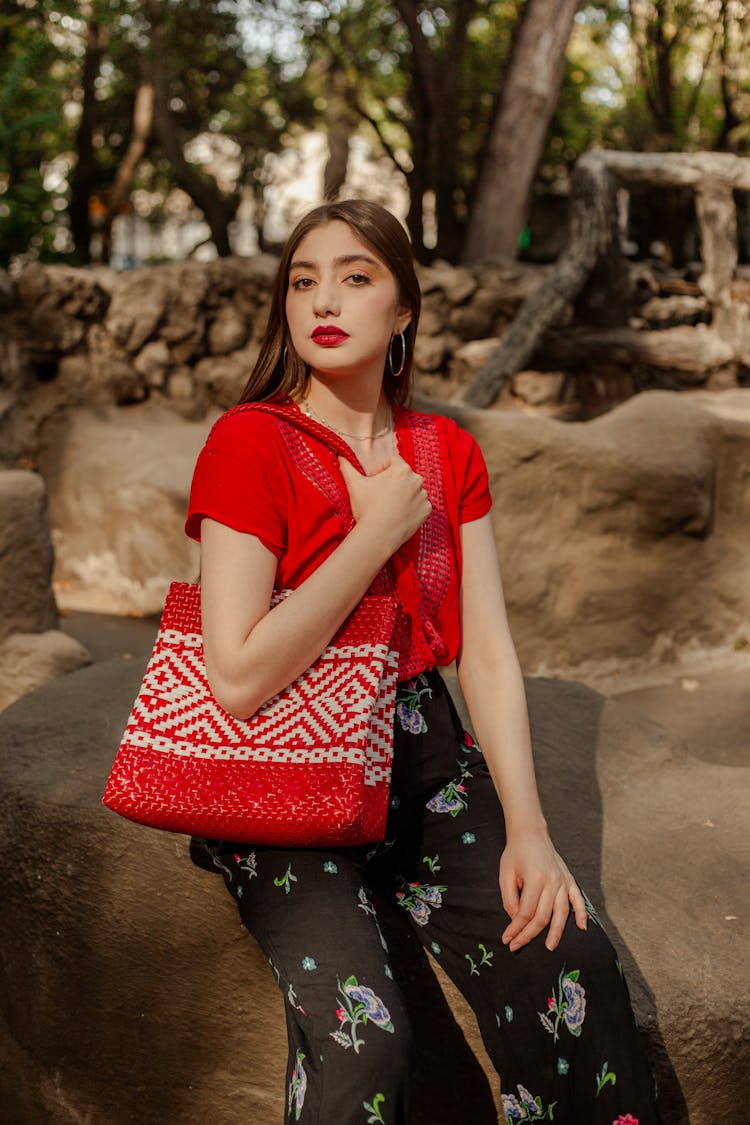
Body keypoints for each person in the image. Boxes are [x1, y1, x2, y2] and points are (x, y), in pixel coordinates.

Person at [185, 199, 660, 1125]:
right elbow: (237, 676)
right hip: (283, 779)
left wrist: (528, 827)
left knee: (575, 963)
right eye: (303, 279)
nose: (323, 298)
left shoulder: (447, 452)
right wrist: (372, 537)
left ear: (404, 309)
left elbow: (485, 648)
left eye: (356, 277)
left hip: (425, 759)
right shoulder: (249, 441)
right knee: (368, 1041)